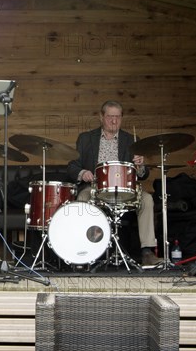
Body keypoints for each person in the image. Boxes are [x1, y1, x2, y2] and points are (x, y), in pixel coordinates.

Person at [67, 100, 163, 266]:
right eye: (110, 117)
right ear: (101, 117)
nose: (114, 121)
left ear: (122, 118)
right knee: (82, 199)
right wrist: (83, 173)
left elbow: (143, 175)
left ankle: (147, 252)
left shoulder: (132, 139)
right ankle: (82, 250)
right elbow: (72, 166)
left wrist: (140, 166)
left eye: (117, 117)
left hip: (125, 190)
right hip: (95, 188)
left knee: (147, 199)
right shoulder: (86, 139)